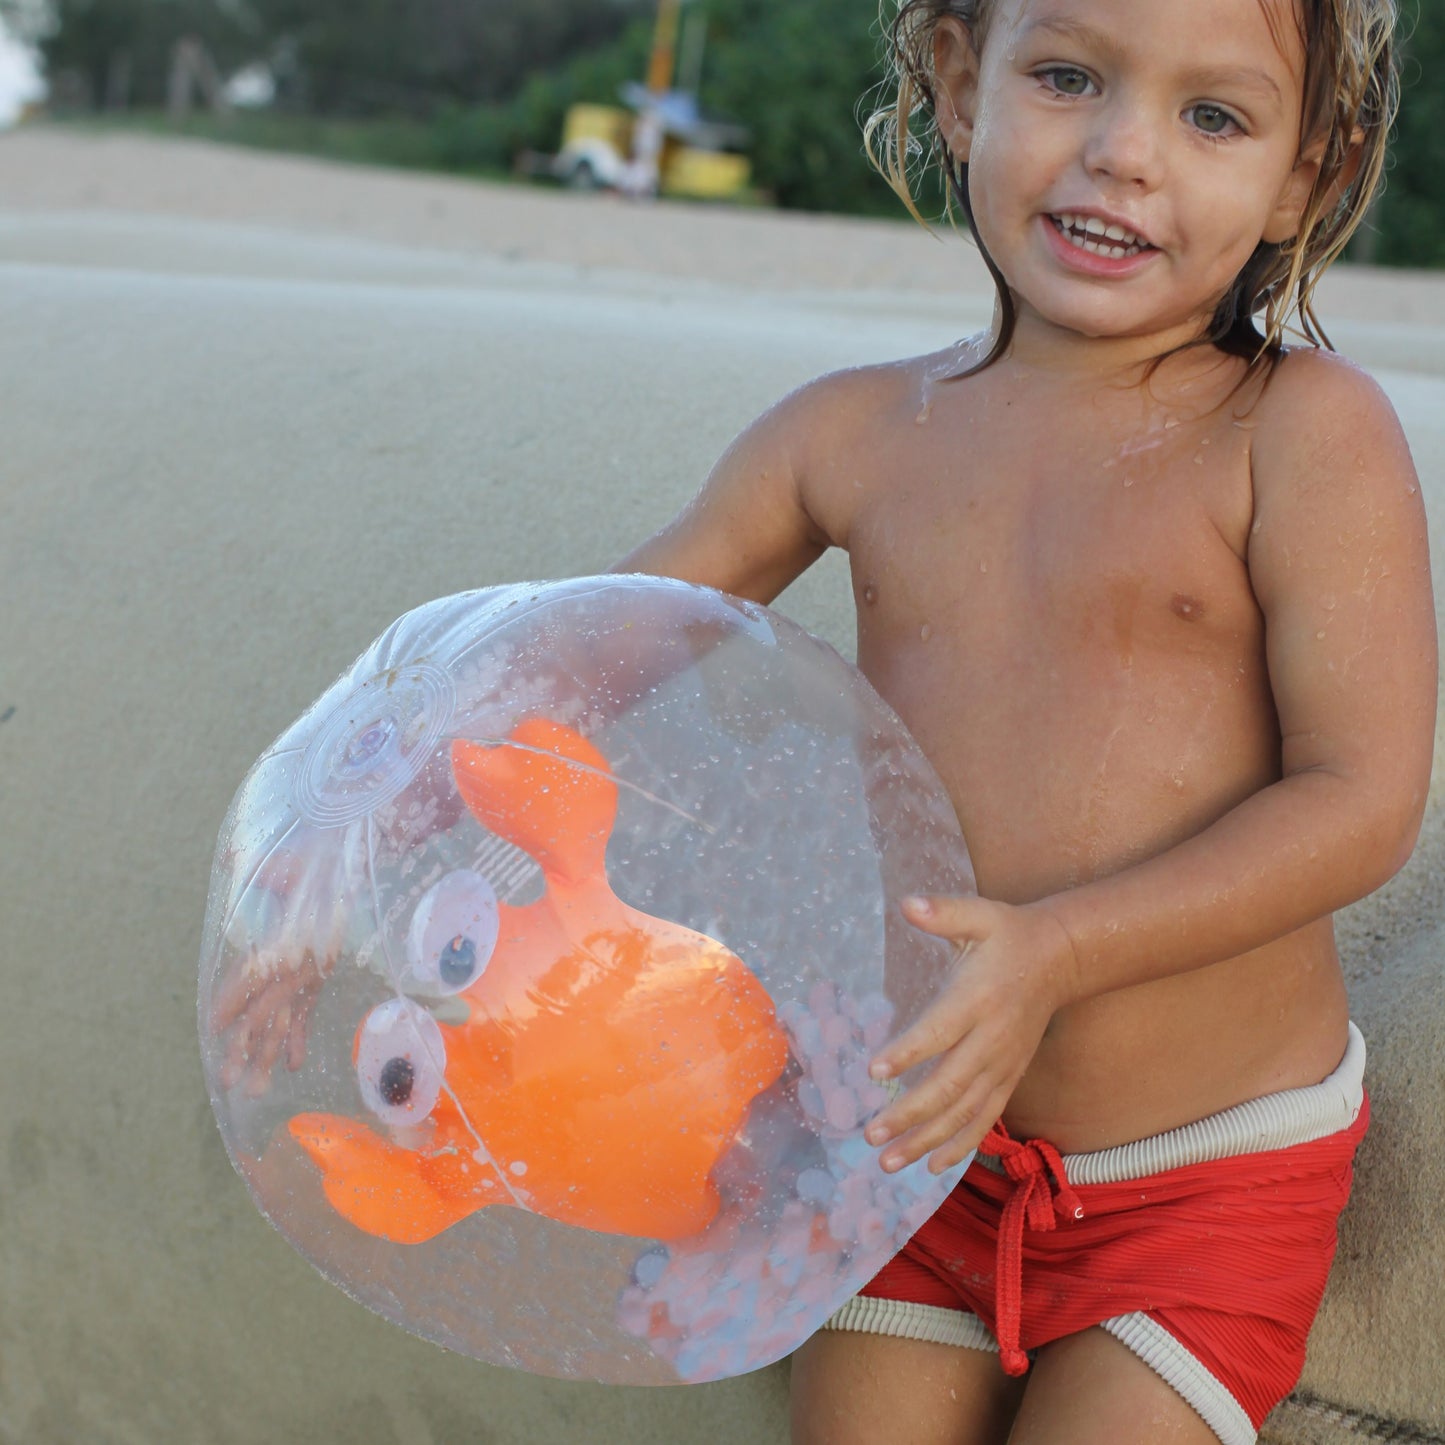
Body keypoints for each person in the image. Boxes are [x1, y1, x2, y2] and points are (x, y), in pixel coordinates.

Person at [211, 0, 1435, 1439]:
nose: (1121, 155)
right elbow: (575, 659)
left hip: (1198, 1167)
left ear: (1307, 170)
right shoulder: (848, 437)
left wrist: (1058, 949)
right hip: (899, 1143)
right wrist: (338, 884)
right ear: (957, 80)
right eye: (1064, 78)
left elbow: (1360, 797)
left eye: (1211, 118)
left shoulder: (1299, 433)